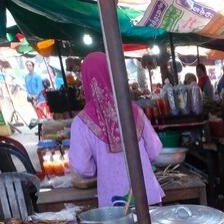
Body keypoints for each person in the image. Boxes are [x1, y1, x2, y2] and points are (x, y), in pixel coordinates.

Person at [69, 52, 164, 207]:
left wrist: (100, 167)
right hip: (148, 196)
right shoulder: (134, 110)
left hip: (114, 205)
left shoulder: (81, 123)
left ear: (84, 78)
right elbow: (154, 150)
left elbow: (82, 167)